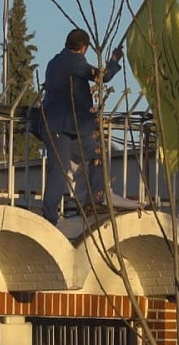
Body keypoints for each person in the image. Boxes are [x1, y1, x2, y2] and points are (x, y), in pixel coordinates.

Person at [40, 28, 123, 225]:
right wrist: (114, 60)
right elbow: (102, 76)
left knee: (63, 168)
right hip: (68, 126)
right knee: (92, 155)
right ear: (84, 48)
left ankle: (53, 215)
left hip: (60, 125)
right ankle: (93, 202)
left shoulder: (54, 62)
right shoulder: (76, 62)